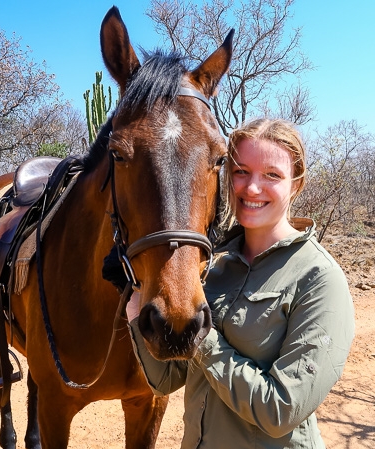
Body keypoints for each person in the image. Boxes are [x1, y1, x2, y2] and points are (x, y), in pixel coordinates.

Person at [126, 118, 355, 449]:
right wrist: (136, 292)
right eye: (241, 171)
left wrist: (202, 339)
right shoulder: (214, 267)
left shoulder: (319, 278)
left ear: (296, 184)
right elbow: (165, 380)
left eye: (272, 175)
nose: (252, 188)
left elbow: (281, 410)